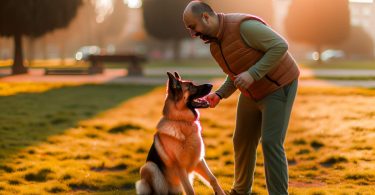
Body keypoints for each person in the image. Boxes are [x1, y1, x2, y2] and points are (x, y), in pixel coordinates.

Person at [182, 1, 299, 195]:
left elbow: (280, 46)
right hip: (252, 91)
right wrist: (219, 94)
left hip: (279, 85)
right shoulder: (215, 46)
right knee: (242, 139)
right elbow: (236, 73)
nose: (193, 34)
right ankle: (241, 191)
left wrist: (253, 74)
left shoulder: (244, 26)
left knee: (271, 142)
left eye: (193, 27)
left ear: (206, 17)